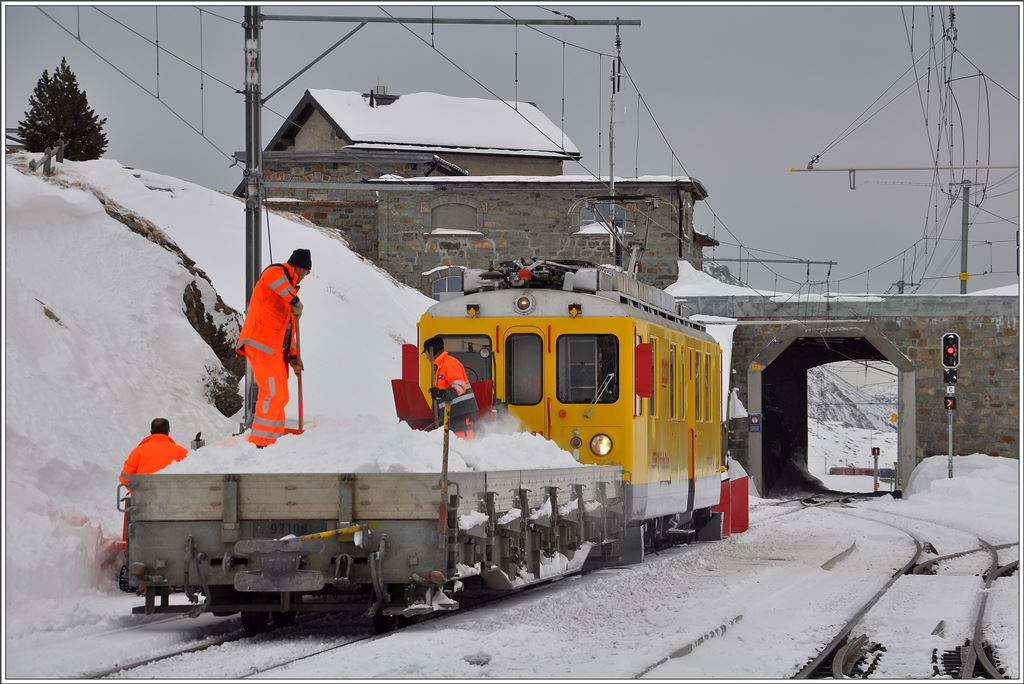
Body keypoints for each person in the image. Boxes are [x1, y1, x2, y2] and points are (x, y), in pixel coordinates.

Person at [236, 249, 311, 447]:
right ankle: (261, 440)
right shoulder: (276, 273)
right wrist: (294, 300)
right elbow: (275, 282)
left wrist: (294, 357)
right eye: (307, 272)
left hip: (275, 350)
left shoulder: (287, 295)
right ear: (301, 267)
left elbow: (289, 333)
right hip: (262, 343)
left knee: (281, 394)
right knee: (272, 392)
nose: (306, 277)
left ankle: (273, 436)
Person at [118, 417, 189, 584]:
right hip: (174, 509)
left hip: (144, 509)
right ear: (168, 432)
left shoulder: (139, 452)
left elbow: (125, 479)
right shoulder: (181, 452)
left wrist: (138, 491)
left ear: (151, 432)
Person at [423, 335, 478, 438]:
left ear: (431, 351)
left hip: (460, 415)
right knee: (453, 447)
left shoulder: (449, 363)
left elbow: (460, 386)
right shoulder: (441, 366)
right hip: (453, 414)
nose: (426, 357)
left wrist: (441, 393)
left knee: (462, 446)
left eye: (426, 353)